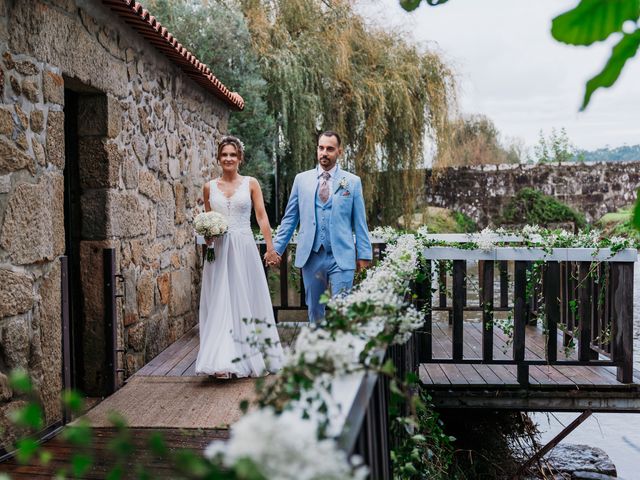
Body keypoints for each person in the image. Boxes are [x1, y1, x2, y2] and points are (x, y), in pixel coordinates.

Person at [196, 135, 284, 378]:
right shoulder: (209, 188)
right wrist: (208, 237)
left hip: (244, 247)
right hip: (220, 250)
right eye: (224, 154)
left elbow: (262, 216)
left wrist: (270, 247)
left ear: (240, 158)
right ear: (218, 158)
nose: (228, 158)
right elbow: (207, 220)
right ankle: (222, 362)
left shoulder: (251, 183)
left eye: (232, 154)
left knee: (247, 297)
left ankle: (251, 356)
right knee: (220, 301)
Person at [266, 131, 372, 324]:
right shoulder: (301, 180)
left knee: (343, 311)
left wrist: (364, 256)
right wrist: (276, 249)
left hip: (342, 256)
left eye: (330, 149)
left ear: (339, 151)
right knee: (315, 312)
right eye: (321, 148)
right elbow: (290, 219)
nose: (324, 153)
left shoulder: (352, 182)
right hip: (312, 256)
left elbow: (360, 223)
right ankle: (320, 351)